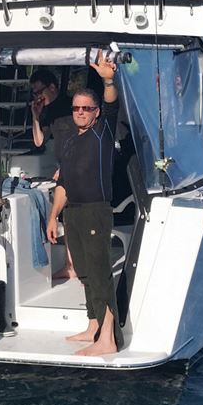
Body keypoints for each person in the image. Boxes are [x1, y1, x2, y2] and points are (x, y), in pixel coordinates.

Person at [45, 54, 124, 356]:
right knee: (84, 272)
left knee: (100, 272)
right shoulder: (69, 140)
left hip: (95, 210)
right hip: (73, 212)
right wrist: (54, 216)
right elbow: (63, 182)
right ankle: (93, 325)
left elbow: (112, 103)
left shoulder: (102, 132)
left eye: (86, 108)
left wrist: (107, 80)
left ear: (96, 112)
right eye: (76, 107)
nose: (80, 112)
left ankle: (109, 338)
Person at [30, 61, 118, 280]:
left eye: (40, 91)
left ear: (52, 87)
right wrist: (35, 115)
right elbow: (39, 142)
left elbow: (86, 138)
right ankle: (72, 266)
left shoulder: (75, 108)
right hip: (65, 168)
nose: (38, 96)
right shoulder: (47, 112)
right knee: (67, 218)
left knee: (79, 218)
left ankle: (84, 269)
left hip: (80, 171)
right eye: (34, 93)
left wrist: (69, 167)